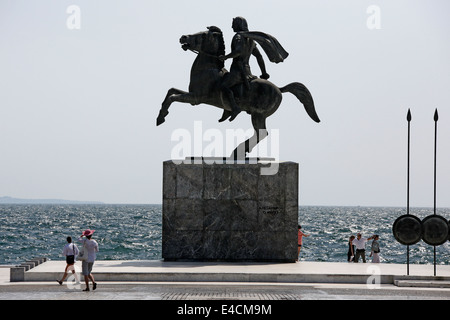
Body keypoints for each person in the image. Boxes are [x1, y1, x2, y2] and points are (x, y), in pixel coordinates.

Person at [219, 17, 270, 122]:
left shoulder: (238, 36)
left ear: (239, 24)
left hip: (238, 71)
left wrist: (226, 57)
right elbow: (259, 57)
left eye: (233, 24)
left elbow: (238, 51)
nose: (232, 26)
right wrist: (263, 72)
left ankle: (234, 108)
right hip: (248, 72)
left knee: (223, 86)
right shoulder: (251, 40)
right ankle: (227, 109)